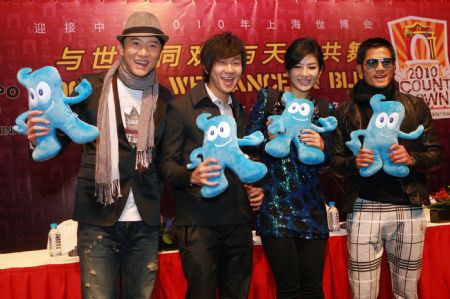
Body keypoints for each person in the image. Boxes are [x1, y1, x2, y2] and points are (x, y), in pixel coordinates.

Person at [26, 11, 172, 298]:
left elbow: (168, 161)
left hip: (144, 223)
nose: (143, 52)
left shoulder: (166, 99)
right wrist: (39, 137)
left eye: (152, 45)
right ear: (122, 47)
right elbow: (60, 139)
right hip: (97, 220)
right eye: (135, 43)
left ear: (160, 52)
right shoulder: (90, 89)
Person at [331, 37, 442, 299]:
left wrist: (412, 158)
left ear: (394, 66)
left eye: (386, 62)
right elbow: (334, 162)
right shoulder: (346, 111)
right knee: (363, 291)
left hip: (409, 206)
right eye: (372, 62)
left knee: (407, 291)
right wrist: (353, 163)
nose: (379, 68)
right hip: (364, 208)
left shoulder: (415, 105)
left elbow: (436, 154)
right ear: (360, 68)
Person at [160, 32, 264, 299]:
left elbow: (238, 162)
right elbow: (166, 165)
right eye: (222, 63)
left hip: (238, 222)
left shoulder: (238, 109)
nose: (230, 70)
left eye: (236, 63)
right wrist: (192, 175)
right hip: (199, 223)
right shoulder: (182, 107)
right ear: (207, 67)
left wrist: (251, 187)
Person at [246, 37, 333, 299]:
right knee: (289, 290)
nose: (304, 74)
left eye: (312, 67)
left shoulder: (325, 109)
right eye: (298, 66)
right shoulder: (269, 99)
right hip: (276, 207)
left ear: (320, 71)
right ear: (287, 69)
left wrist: (323, 146)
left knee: (313, 288)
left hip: (312, 207)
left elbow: (332, 164)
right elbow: (249, 146)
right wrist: (267, 140)